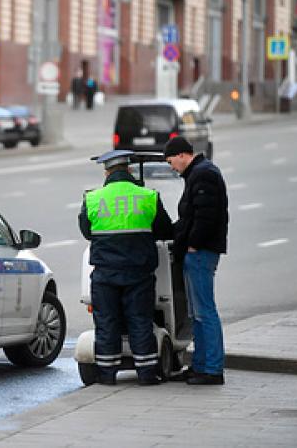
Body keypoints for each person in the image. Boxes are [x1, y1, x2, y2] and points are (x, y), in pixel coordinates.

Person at [79, 150, 174, 385]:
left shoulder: (92, 198)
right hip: (139, 272)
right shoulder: (148, 196)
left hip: (105, 273)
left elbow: (87, 232)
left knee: (107, 322)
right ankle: (146, 374)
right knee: (140, 320)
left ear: (107, 172)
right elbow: (164, 230)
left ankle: (107, 376)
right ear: (129, 170)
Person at [164, 136, 228, 385]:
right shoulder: (198, 173)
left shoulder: (203, 175)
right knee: (196, 312)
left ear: (182, 155)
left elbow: (205, 216)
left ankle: (212, 369)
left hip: (200, 253)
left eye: (172, 161)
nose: (172, 167)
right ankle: (199, 365)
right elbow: (191, 216)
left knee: (204, 311)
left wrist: (192, 244)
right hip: (197, 252)